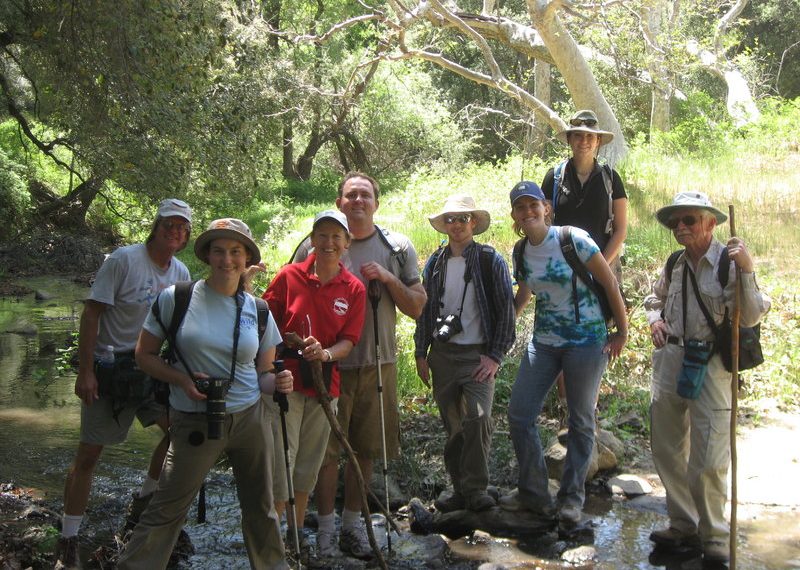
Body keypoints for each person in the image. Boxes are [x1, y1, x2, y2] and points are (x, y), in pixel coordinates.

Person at [117, 218, 293, 570]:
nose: (226, 260)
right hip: (193, 420)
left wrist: (280, 382)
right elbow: (144, 356)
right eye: (218, 251)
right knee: (166, 509)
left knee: (262, 509)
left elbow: (263, 375)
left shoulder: (257, 310)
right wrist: (181, 379)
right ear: (207, 256)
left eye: (235, 252)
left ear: (246, 259)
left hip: (250, 420)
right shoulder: (177, 299)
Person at [294, 171, 426, 559]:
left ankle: (353, 524)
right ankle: (326, 531)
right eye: (350, 195)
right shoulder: (314, 243)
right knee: (324, 451)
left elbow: (418, 306)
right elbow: (290, 291)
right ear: (339, 202)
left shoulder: (397, 247)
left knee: (365, 450)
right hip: (324, 366)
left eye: (364, 195)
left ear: (376, 203)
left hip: (376, 363)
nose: (357, 201)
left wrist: (387, 279)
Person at [55, 198, 193, 569]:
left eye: (182, 227)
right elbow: (91, 314)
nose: (175, 231)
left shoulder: (180, 272)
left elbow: (178, 330)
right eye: (170, 224)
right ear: (157, 224)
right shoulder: (123, 260)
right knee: (89, 454)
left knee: (178, 432)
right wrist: (85, 371)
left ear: (187, 234)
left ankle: (143, 501)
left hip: (150, 369)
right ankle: (68, 537)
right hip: (109, 369)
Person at [644, 192, 770, 564]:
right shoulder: (674, 263)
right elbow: (655, 299)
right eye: (675, 222)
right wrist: (656, 322)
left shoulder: (729, 264)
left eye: (689, 220)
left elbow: (749, 316)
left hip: (712, 365)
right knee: (667, 448)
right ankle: (683, 524)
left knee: (710, 455)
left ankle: (713, 534)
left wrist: (746, 269)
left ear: (711, 223)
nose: (680, 227)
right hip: (671, 359)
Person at [500, 181, 627, 526]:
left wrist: (621, 332)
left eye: (533, 205)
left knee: (581, 419)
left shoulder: (573, 239)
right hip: (544, 342)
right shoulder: (521, 251)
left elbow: (609, 283)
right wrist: (502, 329)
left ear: (545, 207)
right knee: (520, 415)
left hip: (586, 341)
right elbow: (525, 295)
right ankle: (535, 493)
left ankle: (571, 498)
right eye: (520, 208)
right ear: (514, 215)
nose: (528, 212)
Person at [263, 210, 366, 551]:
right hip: (286, 384)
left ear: (347, 243)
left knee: (307, 466)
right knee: (283, 461)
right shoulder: (289, 276)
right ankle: (271, 544)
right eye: (322, 235)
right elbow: (264, 323)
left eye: (337, 236)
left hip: (326, 388)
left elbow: (348, 342)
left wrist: (324, 354)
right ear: (311, 239)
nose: (329, 243)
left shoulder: (353, 289)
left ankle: (293, 541)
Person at [414, 195, 515, 513]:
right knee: (454, 426)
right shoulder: (435, 262)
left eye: (463, 218)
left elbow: (505, 312)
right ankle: (460, 488)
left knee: (479, 419)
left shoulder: (490, 260)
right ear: (444, 225)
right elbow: (425, 310)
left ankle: (476, 488)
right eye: (451, 219)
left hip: (478, 356)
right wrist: (421, 352)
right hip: (442, 354)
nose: (456, 225)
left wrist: (495, 356)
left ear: (473, 223)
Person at [542, 109, 628, 418]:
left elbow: (620, 229)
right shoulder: (554, 176)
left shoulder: (610, 178)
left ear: (598, 142)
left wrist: (600, 267)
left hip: (602, 267)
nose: (584, 141)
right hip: (562, 270)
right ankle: (568, 410)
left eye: (590, 137)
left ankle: (588, 408)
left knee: (596, 333)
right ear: (570, 139)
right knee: (563, 331)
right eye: (578, 135)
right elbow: (544, 223)